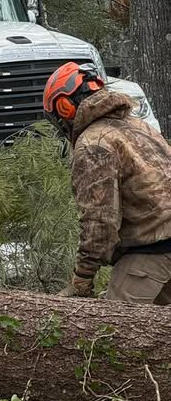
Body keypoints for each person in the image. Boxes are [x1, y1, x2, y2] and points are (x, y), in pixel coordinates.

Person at [43, 62, 171, 303]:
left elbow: (100, 220)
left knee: (111, 330)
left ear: (65, 107)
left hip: (151, 249)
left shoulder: (93, 143)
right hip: (159, 243)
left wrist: (83, 275)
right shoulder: (140, 126)